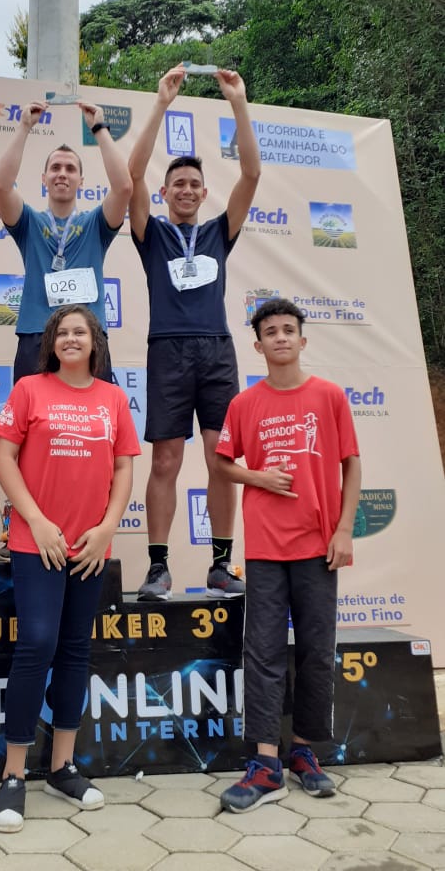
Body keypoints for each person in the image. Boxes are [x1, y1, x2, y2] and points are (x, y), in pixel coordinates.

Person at [0, 305, 140, 832]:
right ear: (50, 342)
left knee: (75, 649)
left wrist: (107, 529)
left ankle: (62, 768)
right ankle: (13, 776)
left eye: (80, 331)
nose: (71, 338)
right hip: (37, 542)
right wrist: (35, 521)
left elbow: (124, 466)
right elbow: (2, 458)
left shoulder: (112, 398)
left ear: (95, 342)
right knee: (36, 644)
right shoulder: (29, 389)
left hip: (89, 546)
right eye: (62, 332)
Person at [215, 298, 361, 813]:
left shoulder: (329, 396)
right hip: (266, 548)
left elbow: (351, 465)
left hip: (318, 545)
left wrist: (344, 531)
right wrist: (257, 476)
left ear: (302, 339)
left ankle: (304, 751)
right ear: (258, 346)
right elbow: (223, 463)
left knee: (317, 651)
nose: (279, 337)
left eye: (287, 330)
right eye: (270, 331)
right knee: (263, 652)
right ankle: (264, 764)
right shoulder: (243, 403)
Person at [128, 64, 262, 600]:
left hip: (216, 350)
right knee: (165, 460)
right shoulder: (151, 233)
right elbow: (131, 175)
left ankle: (222, 564)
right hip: (167, 351)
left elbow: (251, 174)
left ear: (204, 193)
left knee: (221, 460)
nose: (185, 190)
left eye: (193, 184)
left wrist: (238, 103)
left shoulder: (218, 233)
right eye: (177, 184)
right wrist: (161, 103)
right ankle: (158, 567)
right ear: (165, 193)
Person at [0, 101, 132, 381]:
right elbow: (1, 187)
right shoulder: (29, 221)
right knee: (32, 410)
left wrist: (99, 128)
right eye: (55, 167)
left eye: (70, 168)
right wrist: (24, 127)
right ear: (44, 178)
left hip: (88, 333)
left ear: (81, 180)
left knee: (93, 410)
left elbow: (124, 187)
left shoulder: (96, 224)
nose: (62, 173)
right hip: (37, 333)